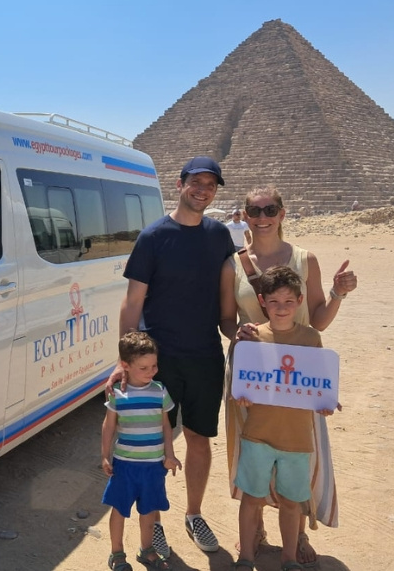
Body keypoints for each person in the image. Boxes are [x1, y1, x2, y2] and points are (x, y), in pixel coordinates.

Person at [220, 185, 358, 565]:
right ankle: (257, 530)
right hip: (252, 374)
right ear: (245, 216)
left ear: (282, 213)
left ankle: (296, 535)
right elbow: (226, 320)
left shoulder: (304, 259)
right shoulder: (232, 266)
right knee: (252, 455)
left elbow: (318, 320)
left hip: (298, 377)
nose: (262, 217)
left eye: (270, 210)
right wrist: (239, 333)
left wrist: (338, 293)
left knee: (296, 456)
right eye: (254, 211)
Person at [113, 156, 235, 556]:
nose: (203, 190)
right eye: (196, 182)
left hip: (205, 357)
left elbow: (229, 299)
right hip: (158, 361)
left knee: (199, 439)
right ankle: (155, 523)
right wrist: (124, 361)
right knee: (152, 444)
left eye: (210, 185)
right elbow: (132, 302)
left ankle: (194, 514)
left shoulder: (219, 236)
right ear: (179, 184)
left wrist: (247, 333)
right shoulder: (153, 237)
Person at [230, 266, 337, 571]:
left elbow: (318, 383)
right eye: (274, 301)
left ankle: (289, 558)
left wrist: (326, 401)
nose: (281, 308)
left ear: (300, 301)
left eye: (288, 301)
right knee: (252, 498)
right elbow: (241, 384)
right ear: (262, 301)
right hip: (257, 434)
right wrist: (242, 395)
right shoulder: (252, 337)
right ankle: (246, 557)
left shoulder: (311, 338)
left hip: (297, 438)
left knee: (291, 503)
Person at [102, 331, 181, 571]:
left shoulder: (159, 390)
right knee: (119, 509)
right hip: (124, 465)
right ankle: (117, 554)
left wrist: (169, 455)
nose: (151, 372)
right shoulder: (118, 394)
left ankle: (147, 550)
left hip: (153, 465)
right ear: (125, 366)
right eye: (144, 368)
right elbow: (109, 425)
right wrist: (105, 455)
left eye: (154, 366)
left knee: (149, 510)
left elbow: (166, 425)